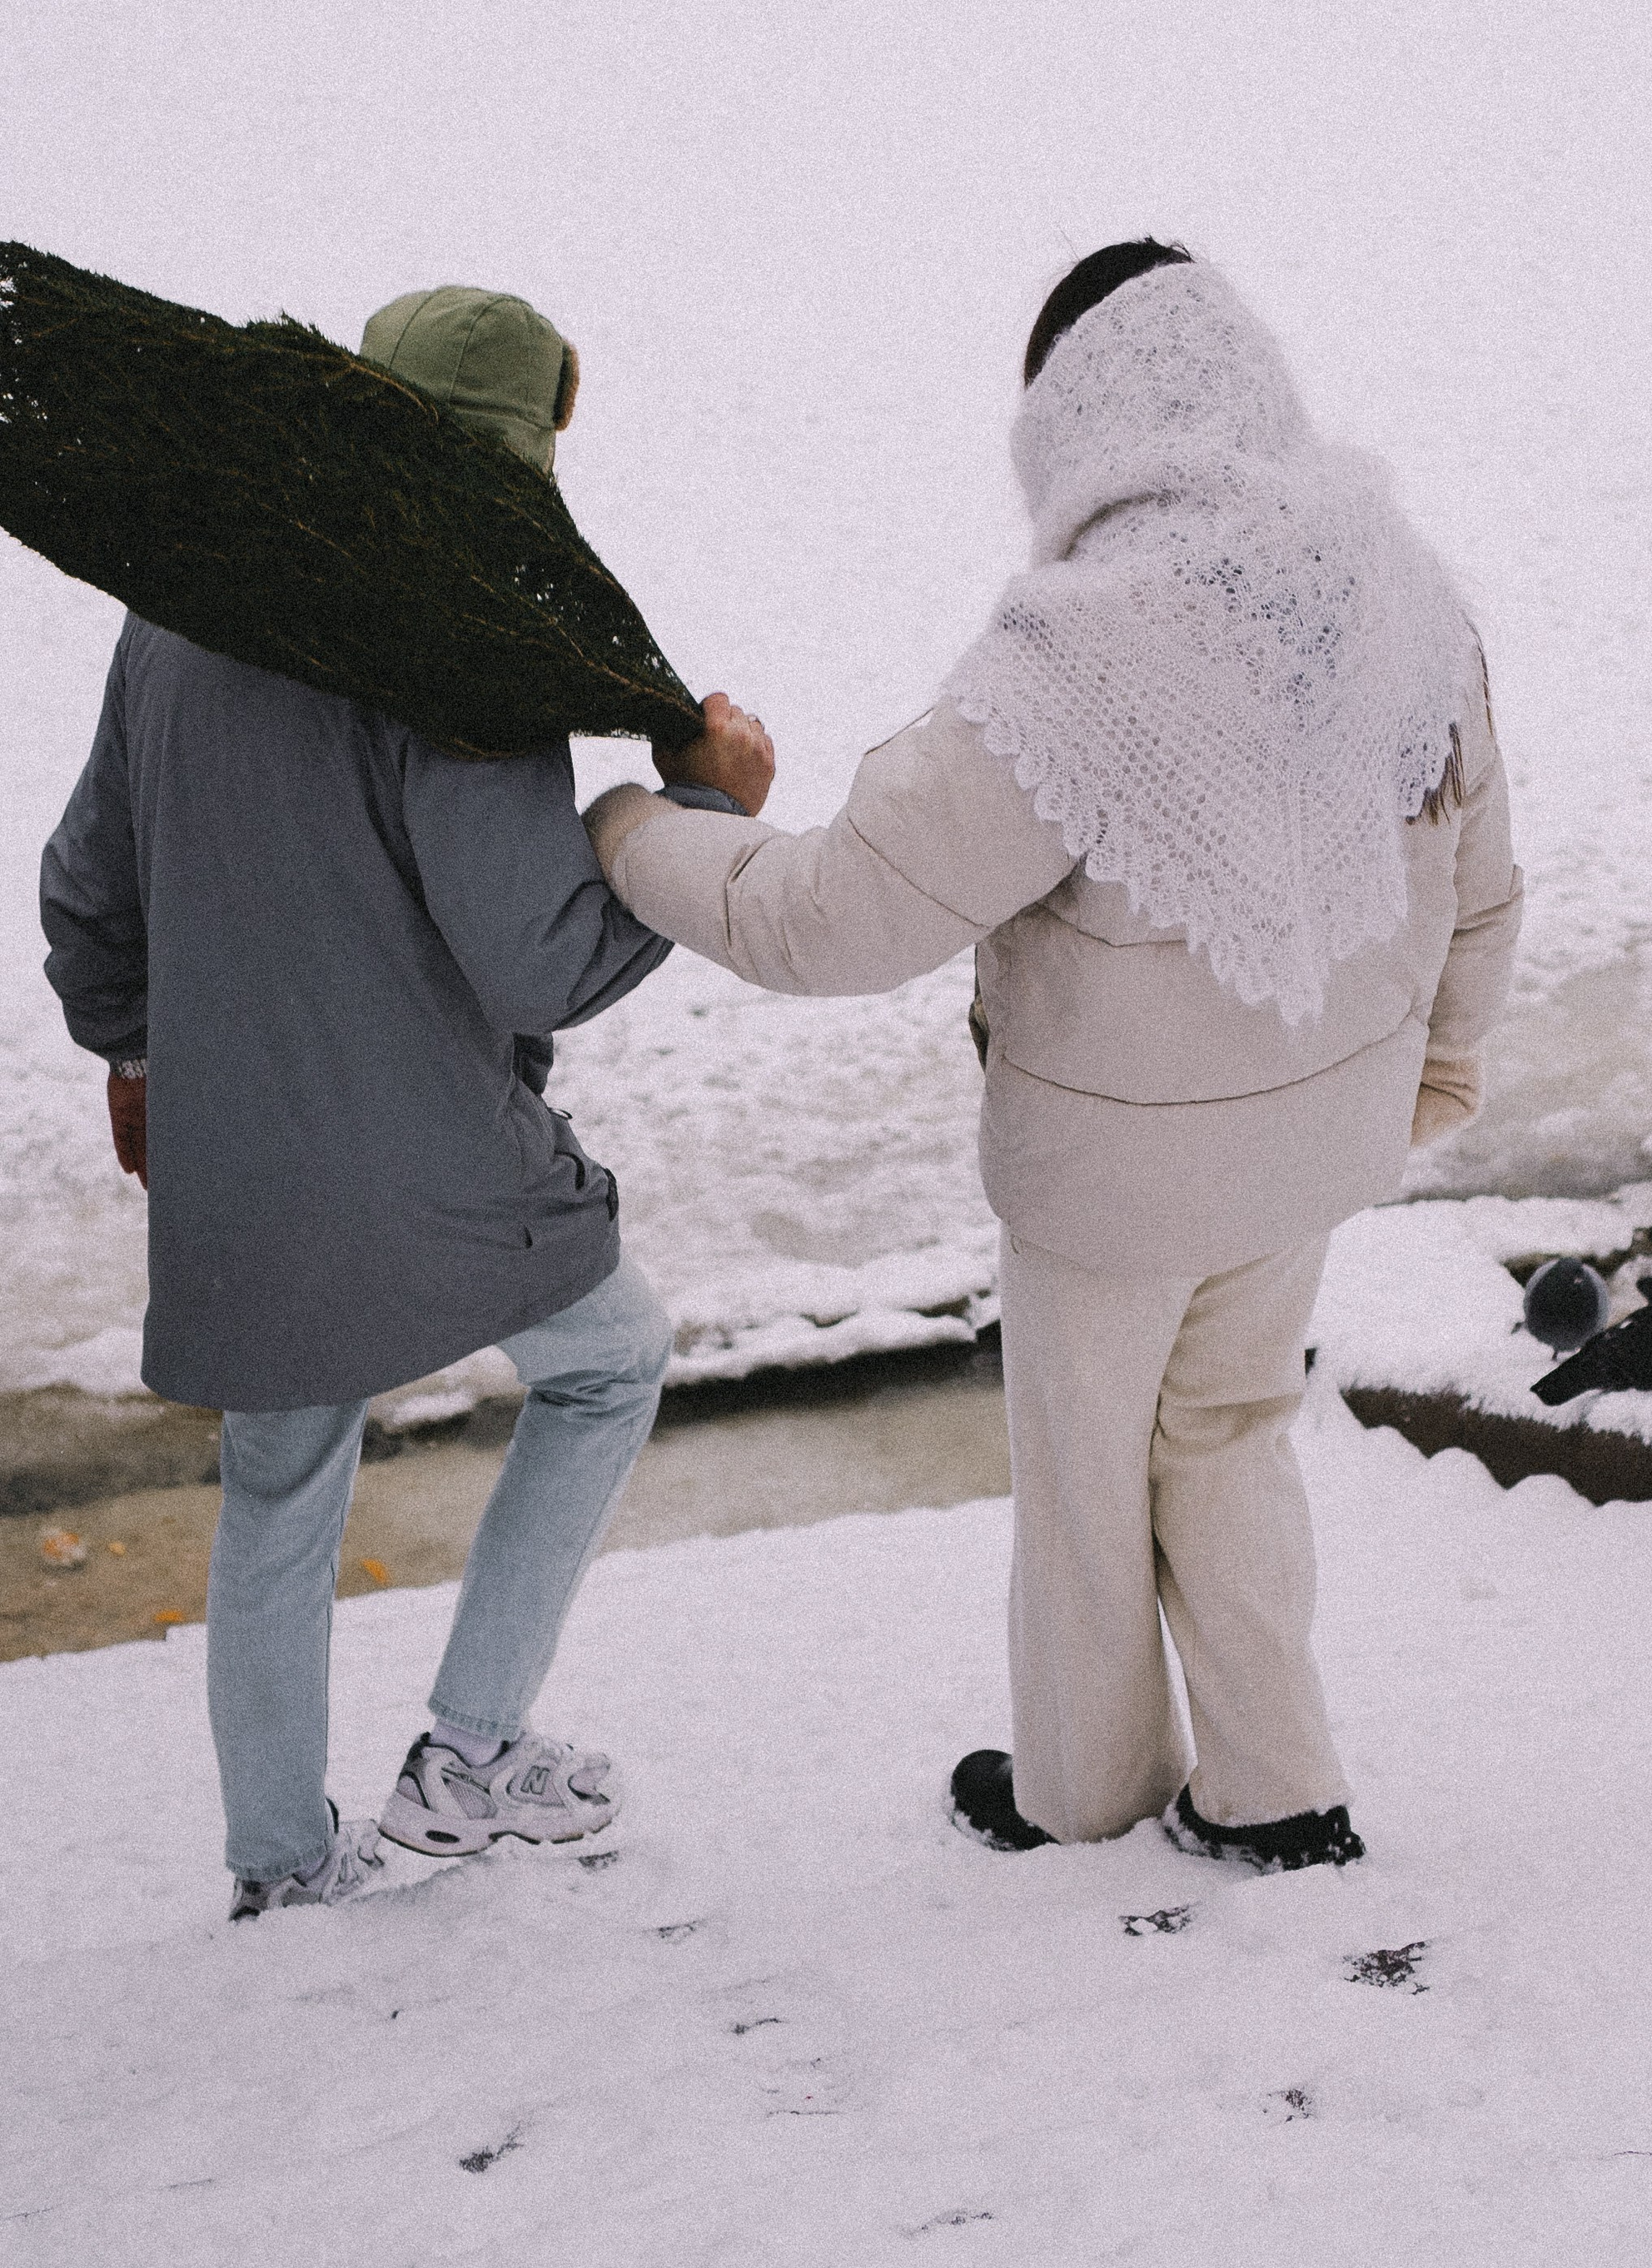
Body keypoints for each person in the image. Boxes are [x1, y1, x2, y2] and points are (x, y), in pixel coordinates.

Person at [586, 244, 1521, 1873]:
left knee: (1088, 1484)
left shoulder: (1071, 665)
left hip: (1109, 1181)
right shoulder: (1397, 591)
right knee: (1228, 1434)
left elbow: (828, 919)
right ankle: (1274, 1790)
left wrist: (635, 833)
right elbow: (1481, 865)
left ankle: (1081, 1797)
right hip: (1313, 1141)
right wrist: (1436, 1068)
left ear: (1071, 426)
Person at [40, 285, 771, 1922]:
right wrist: (704, 804)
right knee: (611, 1364)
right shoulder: (461, 639)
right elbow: (540, 968)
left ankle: (284, 1864)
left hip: (235, 1150)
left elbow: (90, 878)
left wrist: (135, 1057)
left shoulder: (183, 602)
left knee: (284, 1482)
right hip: (429, 1153)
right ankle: (475, 1751)